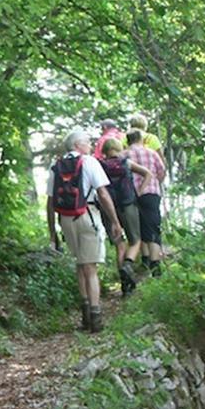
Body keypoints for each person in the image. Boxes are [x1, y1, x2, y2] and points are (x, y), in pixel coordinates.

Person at [47, 130, 123, 333]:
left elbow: (50, 201)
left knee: (80, 265)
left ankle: (85, 314)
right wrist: (115, 221)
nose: (91, 146)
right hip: (88, 215)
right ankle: (96, 318)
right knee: (90, 269)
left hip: (66, 219)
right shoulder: (89, 162)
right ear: (78, 144)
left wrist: (53, 233)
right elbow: (103, 193)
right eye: (88, 142)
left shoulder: (56, 166)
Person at [99, 137, 154, 297]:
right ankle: (128, 265)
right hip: (128, 204)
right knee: (135, 240)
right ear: (118, 147)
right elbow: (148, 174)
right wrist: (140, 191)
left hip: (108, 209)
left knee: (119, 245)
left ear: (104, 151)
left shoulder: (100, 166)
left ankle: (125, 286)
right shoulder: (126, 163)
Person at [125, 129, 166, 276]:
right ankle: (155, 265)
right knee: (154, 227)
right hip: (151, 193)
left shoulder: (124, 155)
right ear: (141, 139)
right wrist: (156, 182)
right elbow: (161, 171)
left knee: (140, 228)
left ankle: (145, 260)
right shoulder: (152, 153)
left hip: (131, 196)